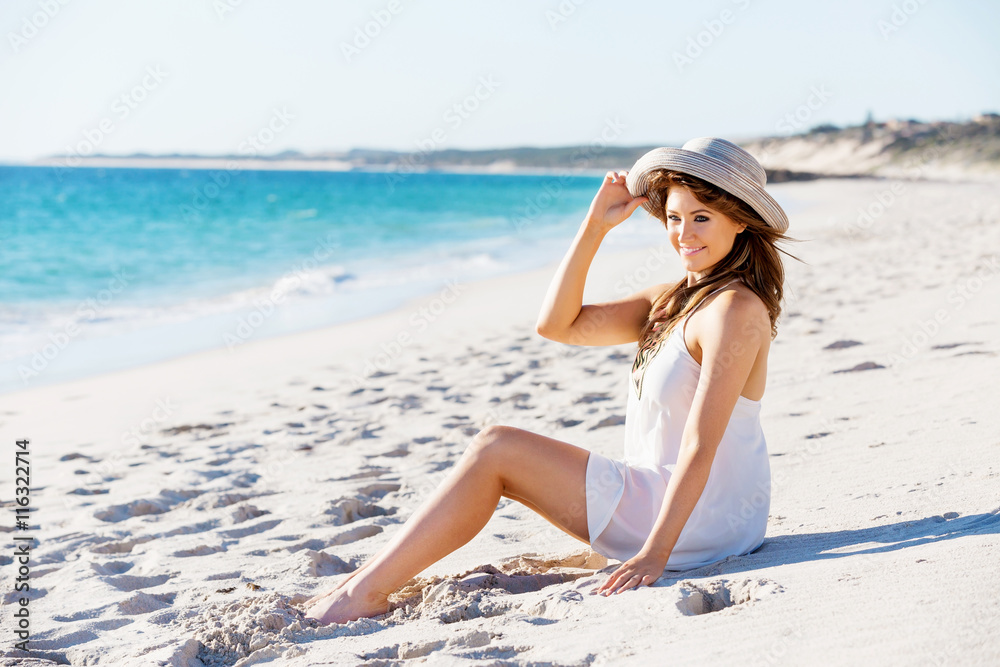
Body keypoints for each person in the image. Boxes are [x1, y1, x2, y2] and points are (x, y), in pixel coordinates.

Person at [303, 137, 799, 625]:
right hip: (670, 503)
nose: (683, 233)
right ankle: (359, 585)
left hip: (701, 519)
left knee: (496, 447)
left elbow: (701, 444)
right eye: (674, 216)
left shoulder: (735, 309)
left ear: (740, 221)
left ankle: (363, 592)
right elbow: (558, 325)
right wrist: (594, 228)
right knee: (495, 450)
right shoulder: (672, 301)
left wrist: (654, 554)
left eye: (702, 218)